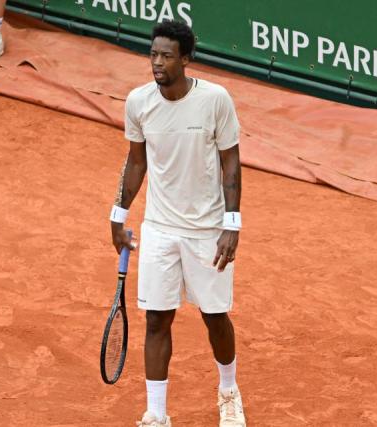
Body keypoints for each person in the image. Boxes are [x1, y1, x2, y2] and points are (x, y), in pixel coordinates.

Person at [109, 20, 246, 427]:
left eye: (167, 56)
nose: (157, 63)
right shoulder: (138, 102)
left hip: (206, 230)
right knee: (157, 318)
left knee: (213, 316)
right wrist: (119, 214)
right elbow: (137, 161)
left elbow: (231, 162)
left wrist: (232, 224)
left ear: (186, 59)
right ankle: (157, 413)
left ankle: (229, 392)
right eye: (153, 54)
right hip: (160, 227)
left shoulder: (216, 100)